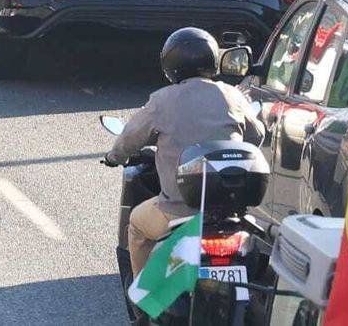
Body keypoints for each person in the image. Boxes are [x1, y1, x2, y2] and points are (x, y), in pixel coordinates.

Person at [104, 27, 265, 275]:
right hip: (230, 214)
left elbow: (130, 139)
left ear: (170, 64)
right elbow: (257, 135)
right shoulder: (232, 95)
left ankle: (142, 299)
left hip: (176, 213)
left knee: (136, 224)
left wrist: (114, 157)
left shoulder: (162, 100)